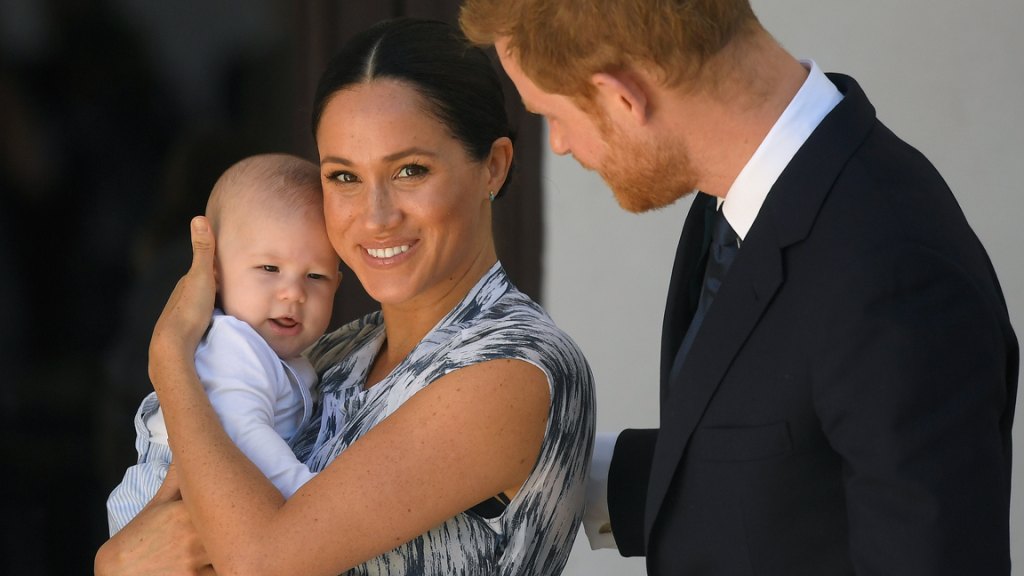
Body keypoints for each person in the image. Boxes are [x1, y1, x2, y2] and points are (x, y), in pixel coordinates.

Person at [460, 1, 1018, 575]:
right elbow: (788, 465)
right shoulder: (742, 197)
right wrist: (553, 466)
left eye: (553, 115)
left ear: (623, 97)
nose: (559, 145)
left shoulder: (893, 272)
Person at [94, 17, 595, 576]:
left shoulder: (513, 367)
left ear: (493, 168)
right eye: (344, 178)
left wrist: (170, 360)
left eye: (410, 170)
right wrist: (115, 561)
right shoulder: (333, 354)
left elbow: (260, 560)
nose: (376, 218)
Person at [104, 153, 341, 535]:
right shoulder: (234, 345)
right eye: (269, 268)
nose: (293, 293)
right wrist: (306, 496)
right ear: (214, 271)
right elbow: (244, 433)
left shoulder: (286, 355)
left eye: (316, 276)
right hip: (170, 500)